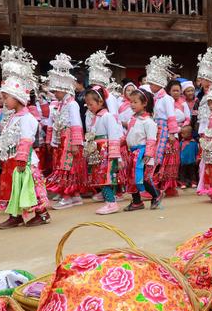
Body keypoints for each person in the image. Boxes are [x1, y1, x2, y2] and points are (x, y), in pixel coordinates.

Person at [0, 46, 51, 228]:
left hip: (25, 161)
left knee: (31, 187)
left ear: (18, 98)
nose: (4, 101)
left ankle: (42, 214)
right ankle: (15, 215)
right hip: (13, 159)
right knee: (13, 187)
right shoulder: (13, 117)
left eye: (6, 97)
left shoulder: (27, 118)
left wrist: (20, 158)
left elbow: (27, 139)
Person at [45, 54, 86, 210]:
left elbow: (76, 124)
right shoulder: (62, 104)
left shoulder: (72, 104)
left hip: (69, 138)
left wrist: (76, 143)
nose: (55, 93)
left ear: (63, 89)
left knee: (67, 166)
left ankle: (68, 196)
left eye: (57, 91)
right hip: (63, 138)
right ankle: (73, 195)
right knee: (64, 166)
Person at [84, 87, 124, 215]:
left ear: (100, 102)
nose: (89, 107)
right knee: (100, 177)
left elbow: (113, 136)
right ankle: (109, 202)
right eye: (88, 104)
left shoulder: (107, 116)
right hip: (98, 151)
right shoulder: (96, 118)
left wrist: (117, 157)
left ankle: (111, 203)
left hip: (106, 152)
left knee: (105, 177)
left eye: (91, 104)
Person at [144, 57, 179, 200]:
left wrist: (172, 133)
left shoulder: (166, 99)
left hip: (164, 129)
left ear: (159, 84)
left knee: (160, 156)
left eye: (152, 83)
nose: (150, 86)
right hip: (157, 128)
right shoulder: (156, 97)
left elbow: (171, 116)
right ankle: (157, 185)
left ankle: (159, 186)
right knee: (156, 155)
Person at [124, 88, 163, 211]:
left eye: (135, 102)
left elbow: (151, 139)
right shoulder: (132, 119)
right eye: (131, 102)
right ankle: (136, 201)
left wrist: (148, 154)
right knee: (131, 178)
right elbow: (129, 135)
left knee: (141, 177)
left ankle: (156, 194)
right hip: (132, 153)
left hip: (142, 153)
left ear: (144, 104)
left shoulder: (148, 122)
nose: (132, 105)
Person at [178, 124, 199, 188]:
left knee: (192, 172)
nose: (182, 135)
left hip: (192, 161)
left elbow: (196, 151)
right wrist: (179, 159)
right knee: (183, 172)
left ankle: (193, 182)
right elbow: (179, 151)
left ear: (189, 134)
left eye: (183, 134)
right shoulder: (181, 142)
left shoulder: (194, 143)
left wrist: (197, 158)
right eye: (181, 133)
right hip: (183, 161)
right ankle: (183, 183)